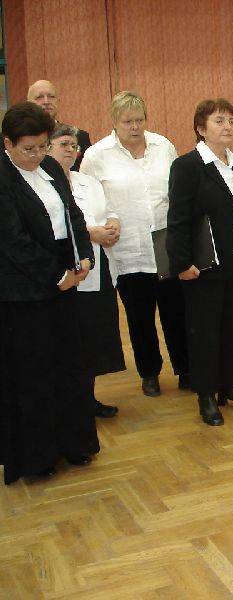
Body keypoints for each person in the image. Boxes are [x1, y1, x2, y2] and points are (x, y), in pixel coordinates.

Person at [0, 102, 99, 484]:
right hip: (24, 291)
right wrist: (57, 275)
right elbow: (13, 240)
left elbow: (73, 214)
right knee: (34, 374)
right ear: (8, 144)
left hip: (64, 281)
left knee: (69, 366)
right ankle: (38, 456)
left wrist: (84, 257)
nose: (37, 155)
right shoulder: (3, 178)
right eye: (29, 149)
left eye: (43, 146)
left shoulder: (53, 169)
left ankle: (74, 443)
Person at [81, 91, 190, 397]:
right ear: (114, 122)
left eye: (139, 120)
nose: (134, 127)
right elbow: (87, 199)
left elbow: (177, 191)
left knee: (176, 313)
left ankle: (186, 369)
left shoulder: (163, 146)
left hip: (166, 246)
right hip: (128, 250)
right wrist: (100, 226)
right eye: (127, 121)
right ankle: (149, 372)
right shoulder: (96, 156)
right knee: (140, 318)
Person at [167, 99, 233, 426]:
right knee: (205, 333)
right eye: (219, 121)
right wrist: (181, 263)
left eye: (231, 121)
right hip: (203, 267)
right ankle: (206, 395)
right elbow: (178, 219)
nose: (227, 127)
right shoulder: (188, 166)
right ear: (201, 128)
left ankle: (231, 386)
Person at [48, 123, 125, 419]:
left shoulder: (87, 181)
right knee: (69, 342)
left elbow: (108, 210)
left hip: (97, 270)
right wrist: (91, 232)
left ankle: (87, 398)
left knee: (93, 339)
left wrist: (113, 223)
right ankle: (65, 404)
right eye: (64, 144)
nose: (71, 150)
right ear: (48, 147)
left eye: (74, 146)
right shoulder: (43, 183)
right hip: (66, 275)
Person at [28, 80, 92, 170]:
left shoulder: (80, 137)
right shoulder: (19, 138)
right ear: (29, 104)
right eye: (39, 97)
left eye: (51, 96)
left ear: (58, 101)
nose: (46, 101)